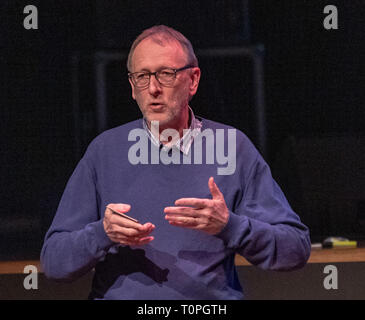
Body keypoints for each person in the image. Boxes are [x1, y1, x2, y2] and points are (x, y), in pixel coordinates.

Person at [40, 25, 311, 300]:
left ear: (193, 80)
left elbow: (295, 249)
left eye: (166, 74)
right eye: (143, 77)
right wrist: (102, 233)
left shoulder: (232, 147)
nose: (154, 88)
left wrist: (230, 226)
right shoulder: (104, 151)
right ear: (133, 87)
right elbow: (55, 262)